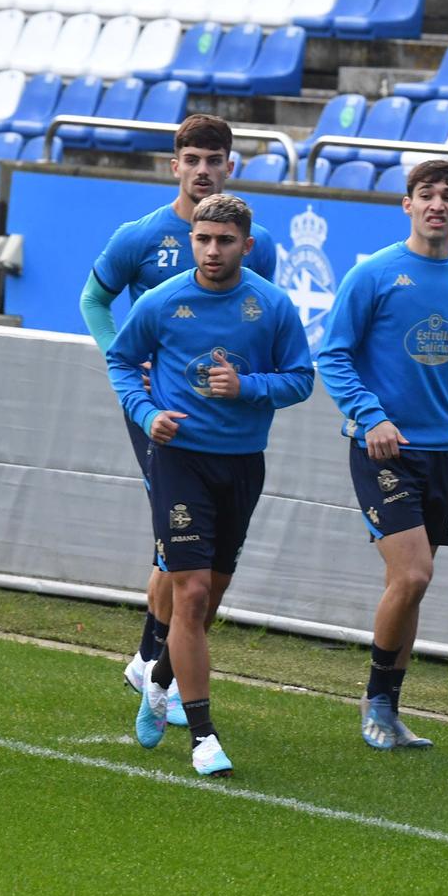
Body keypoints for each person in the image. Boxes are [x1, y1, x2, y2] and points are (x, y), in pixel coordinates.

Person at [106, 194, 314, 777]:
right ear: (191, 239)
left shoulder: (271, 306)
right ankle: (203, 736)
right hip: (180, 461)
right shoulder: (163, 301)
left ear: (247, 246)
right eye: (203, 239)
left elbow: (301, 379)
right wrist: (148, 415)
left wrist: (247, 387)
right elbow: (122, 361)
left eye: (225, 240)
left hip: (242, 463)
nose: (213, 250)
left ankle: (160, 676)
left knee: (210, 597)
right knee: (191, 593)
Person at [80, 114, 276, 722]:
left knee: (177, 545)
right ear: (175, 166)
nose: (202, 170)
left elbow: (260, 319)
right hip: (159, 411)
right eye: (191, 159)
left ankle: (149, 659)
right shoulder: (140, 236)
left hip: (223, 419)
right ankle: (153, 662)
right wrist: (127, 361)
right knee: (173, 538)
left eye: (213, 160)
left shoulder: (256, 242)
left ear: (230, 167)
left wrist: (250, 386)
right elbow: (94, 299)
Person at [316, 159, 448, 751]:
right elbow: (333, 355)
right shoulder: (375, 274)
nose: (436, 205)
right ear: (407, 205)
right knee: (413, 572)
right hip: (382, 449)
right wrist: (370, 415)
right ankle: (374, 700)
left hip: (439, 453)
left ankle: (391, 710)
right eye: (426, 195)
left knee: (414, 584)